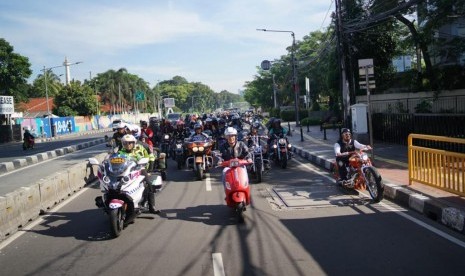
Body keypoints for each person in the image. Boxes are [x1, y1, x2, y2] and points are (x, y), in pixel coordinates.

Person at [119, 134, 160, 214]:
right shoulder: (120, 152)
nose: (128, 145)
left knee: (148, 184)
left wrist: (149, 170)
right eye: (125, 143)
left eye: (130, 143)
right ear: (123, 144)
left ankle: (152, 207)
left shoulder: (139, 150)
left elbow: (149, 158)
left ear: (134, 143)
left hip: (140, 170)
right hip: (125, 172)